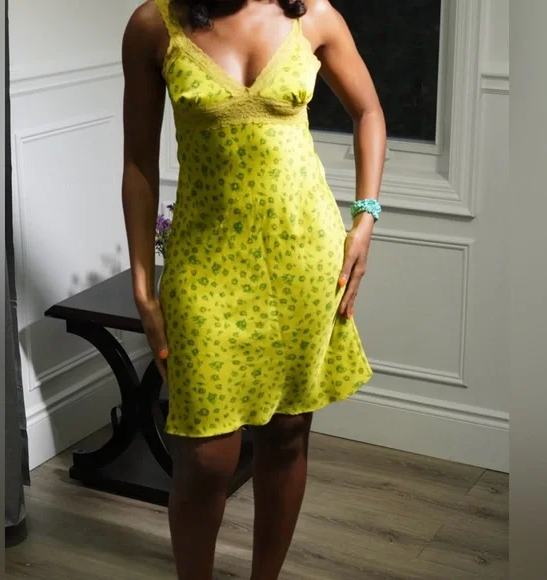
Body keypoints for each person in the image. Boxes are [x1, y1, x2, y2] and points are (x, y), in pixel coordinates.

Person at [121, 0, 386, 578]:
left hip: (304, 260)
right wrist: (144, 288)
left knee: (288, 435)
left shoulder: (313, 16)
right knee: (204, 460)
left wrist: (365, 218)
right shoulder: (154, 26)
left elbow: (369, 110)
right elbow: (138, 163)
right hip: (206, 268)